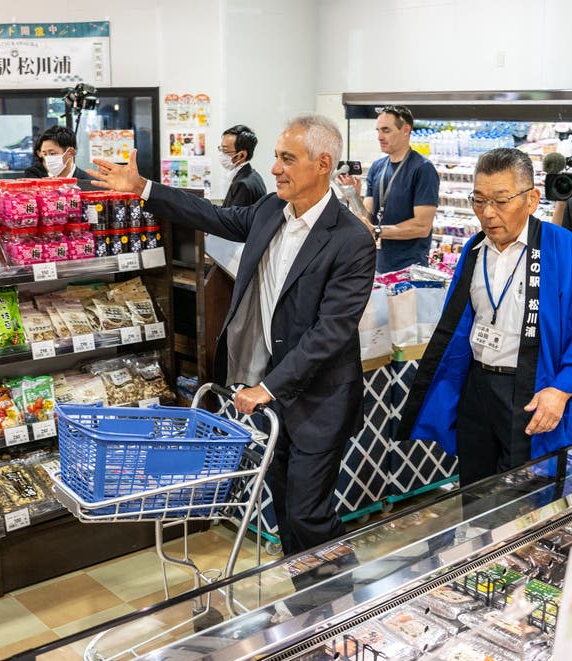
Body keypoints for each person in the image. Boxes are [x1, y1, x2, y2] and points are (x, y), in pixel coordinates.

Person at [87, 114, 376, 555]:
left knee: (308, 513)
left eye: (287, 159)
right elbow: (213, 216)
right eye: (277, 157)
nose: (275, 168)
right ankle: (311, 610)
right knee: (286, 509)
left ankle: (342, 607)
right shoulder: (270, 211)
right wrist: (145, 188)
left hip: (320, 400)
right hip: (276, 395)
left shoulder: (351, 238)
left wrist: (268, 386)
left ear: (322, 164)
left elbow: (331, 331)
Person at [399, 147, 572, 486]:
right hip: (478, 388)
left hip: (532, 389)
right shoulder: (473, 250)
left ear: (532, 200)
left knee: (530, 495)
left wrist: (561, 390)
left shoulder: (561, 248)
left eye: (501, 201)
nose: (488, 213)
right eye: (479, 200)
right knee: (476, 489)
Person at [344, 105, 439, 272]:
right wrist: (353, 196)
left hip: (409, 271)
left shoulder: (423, 169)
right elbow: (368, 218)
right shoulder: (377, 167)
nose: (380, 137)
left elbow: (422, 227)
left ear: (406, 130)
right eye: (378, 131)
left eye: (386, 130)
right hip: (376, 264)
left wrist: (378, 231)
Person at [219, 124, 267, 207]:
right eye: (221, 149)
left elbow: (234, 218)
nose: (221, 154)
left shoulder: (242, 184)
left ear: (241, 155)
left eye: (225, 150)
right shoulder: (253, 176)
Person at [24, 125, 92, 184]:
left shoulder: (90, 183)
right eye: (45, 154)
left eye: (52, 153)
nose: (48, 159)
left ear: (70, 152)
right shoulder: (37, 181)